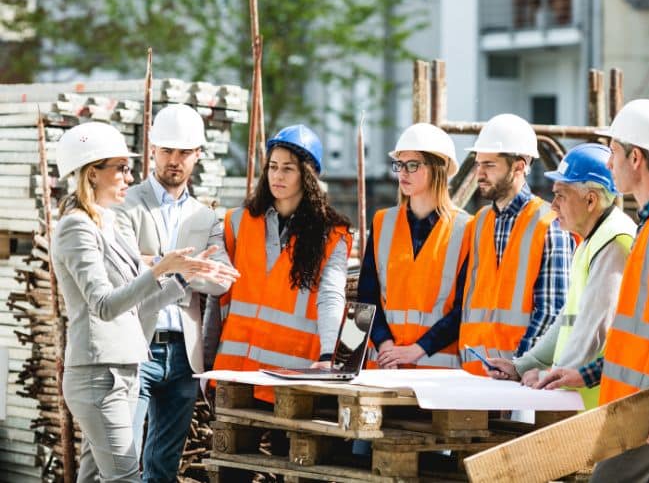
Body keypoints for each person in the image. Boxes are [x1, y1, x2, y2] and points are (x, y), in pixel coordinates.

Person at [535, 99, 649, 482]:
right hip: (646, 405)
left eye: (615, 153)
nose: (609, 164)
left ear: (635, 158)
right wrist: (585, 374)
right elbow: (641, 340)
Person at [51, 122, 237, 483]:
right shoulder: (76, 228)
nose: (129, 175)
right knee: (125, 478)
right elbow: (104, 305)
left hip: (121, 370)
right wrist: (158, 269)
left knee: (94, 477)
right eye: (120, 167)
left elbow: (138, 302)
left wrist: (181, 275)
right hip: (99, 374)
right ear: (92, 174)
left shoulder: (106, 224)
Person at [113, 104, 234, 483]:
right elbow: (119, 268)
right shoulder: (125, 204)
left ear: (198, 155)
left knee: (163, 467)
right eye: (167, 150)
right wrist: (181, 266)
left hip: (184, 354)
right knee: (123, 461)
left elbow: (221, 280)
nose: (174, 160)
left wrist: (160, 264)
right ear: (152, 150)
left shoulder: (206, 217)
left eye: (183, 152)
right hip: (136, 345)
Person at [484, 143, 636, 410]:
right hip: (584, 399)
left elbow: (594, 329)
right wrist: (524, 366)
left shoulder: (614, 241)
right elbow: (568, 320)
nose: (552, 206)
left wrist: (551, 376)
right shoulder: (592, 240)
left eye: (561, 196)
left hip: (601, 404)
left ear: (590, 200)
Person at [211, 124, 352, 402]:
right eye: (273, 167)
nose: (277, 175)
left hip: (291, 378)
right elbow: (217, 298)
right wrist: (205, 361)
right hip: (235, 374)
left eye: (288, 168)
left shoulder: (332, 235)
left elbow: (331, 297)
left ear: (307, 175)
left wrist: (327, 355)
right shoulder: (237, 222)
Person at [459, 113, 575, 376]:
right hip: (474, 374)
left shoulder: (549, 224)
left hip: (522, 379)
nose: (480, 174)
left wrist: (519, 364)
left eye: (489, 165)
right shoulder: (479, 223)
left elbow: (552, 310)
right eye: (478, 164)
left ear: (519, 166)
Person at [358, 122, 469, 369]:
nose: (402, 173)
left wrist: (417, 350)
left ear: (438, 169)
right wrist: (384, 343)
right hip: (385, 369)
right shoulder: (382, 222)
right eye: (399, 164)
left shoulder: (467, 230)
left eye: (413, 165)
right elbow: (367, 297)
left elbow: (465, 308)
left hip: (438, 375)